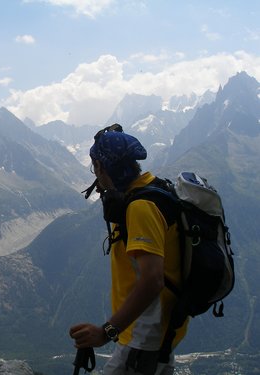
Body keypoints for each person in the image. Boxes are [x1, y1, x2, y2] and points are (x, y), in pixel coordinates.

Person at [69, 124, 188, 375]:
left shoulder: (141, 207)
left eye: (95, 167)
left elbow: (153, 279)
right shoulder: (155, 187)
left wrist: (107, 331)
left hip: (144, 335)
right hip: (155, 332)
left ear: (100, 167)